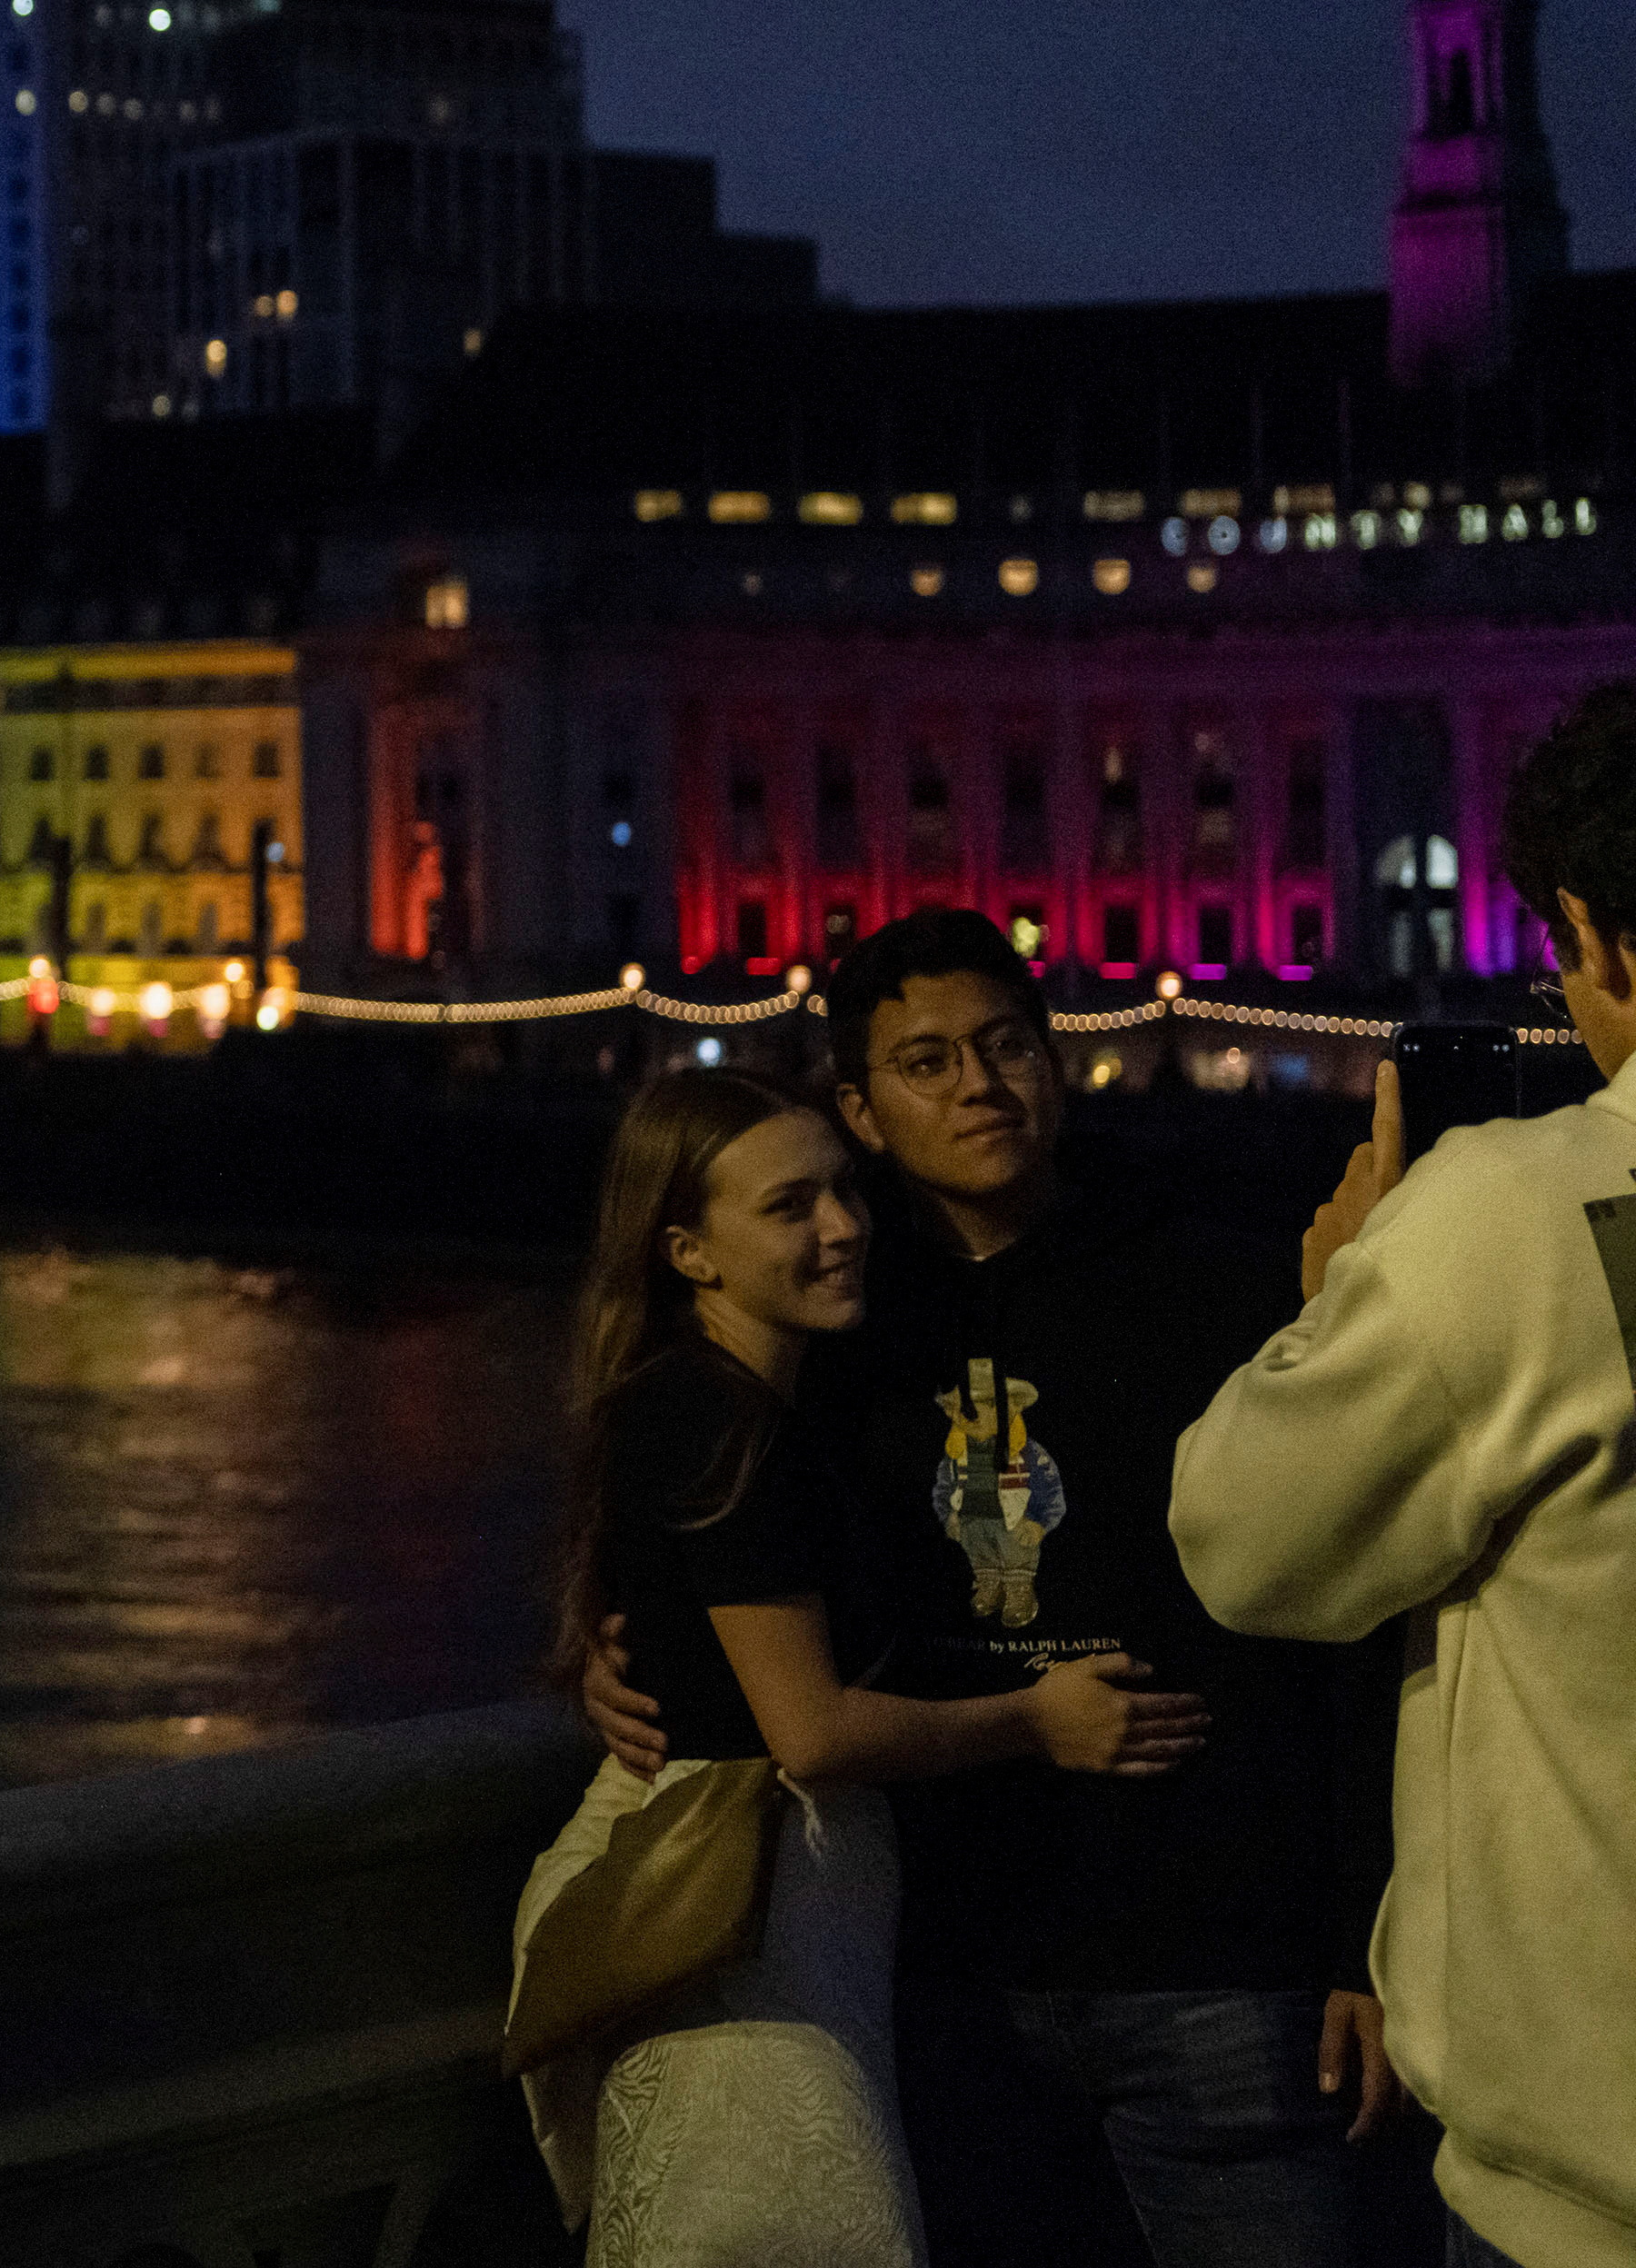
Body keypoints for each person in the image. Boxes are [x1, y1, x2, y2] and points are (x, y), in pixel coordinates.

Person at [590, 909, 1401, 2264]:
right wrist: (618, 1668)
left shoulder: (1216, 1285)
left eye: (1005, 1044)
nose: (978, 1083)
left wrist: (1363, 1933)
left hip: (1216, 1962)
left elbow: (1349, 1612)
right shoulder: (837, 1317)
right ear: (858, 1105)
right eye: (926, 1062)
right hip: (951, 1975)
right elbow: (719, 1543)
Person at [514, 1064, 1204, 2267]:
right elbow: (813, 1734)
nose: (842, 1228)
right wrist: (1040, 1717)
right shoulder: (728, 1429)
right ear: (689, 1252)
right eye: (791, 1208)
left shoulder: (709, 1405)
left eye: (845, 1192)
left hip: (766, 1906)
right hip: (755, 1921)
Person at [1179, 683, 1636, 2268]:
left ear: (1603, 942)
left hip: (1586, 2188)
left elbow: (1249, 1547)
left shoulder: (1509, 1214)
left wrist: (1337, 1302)